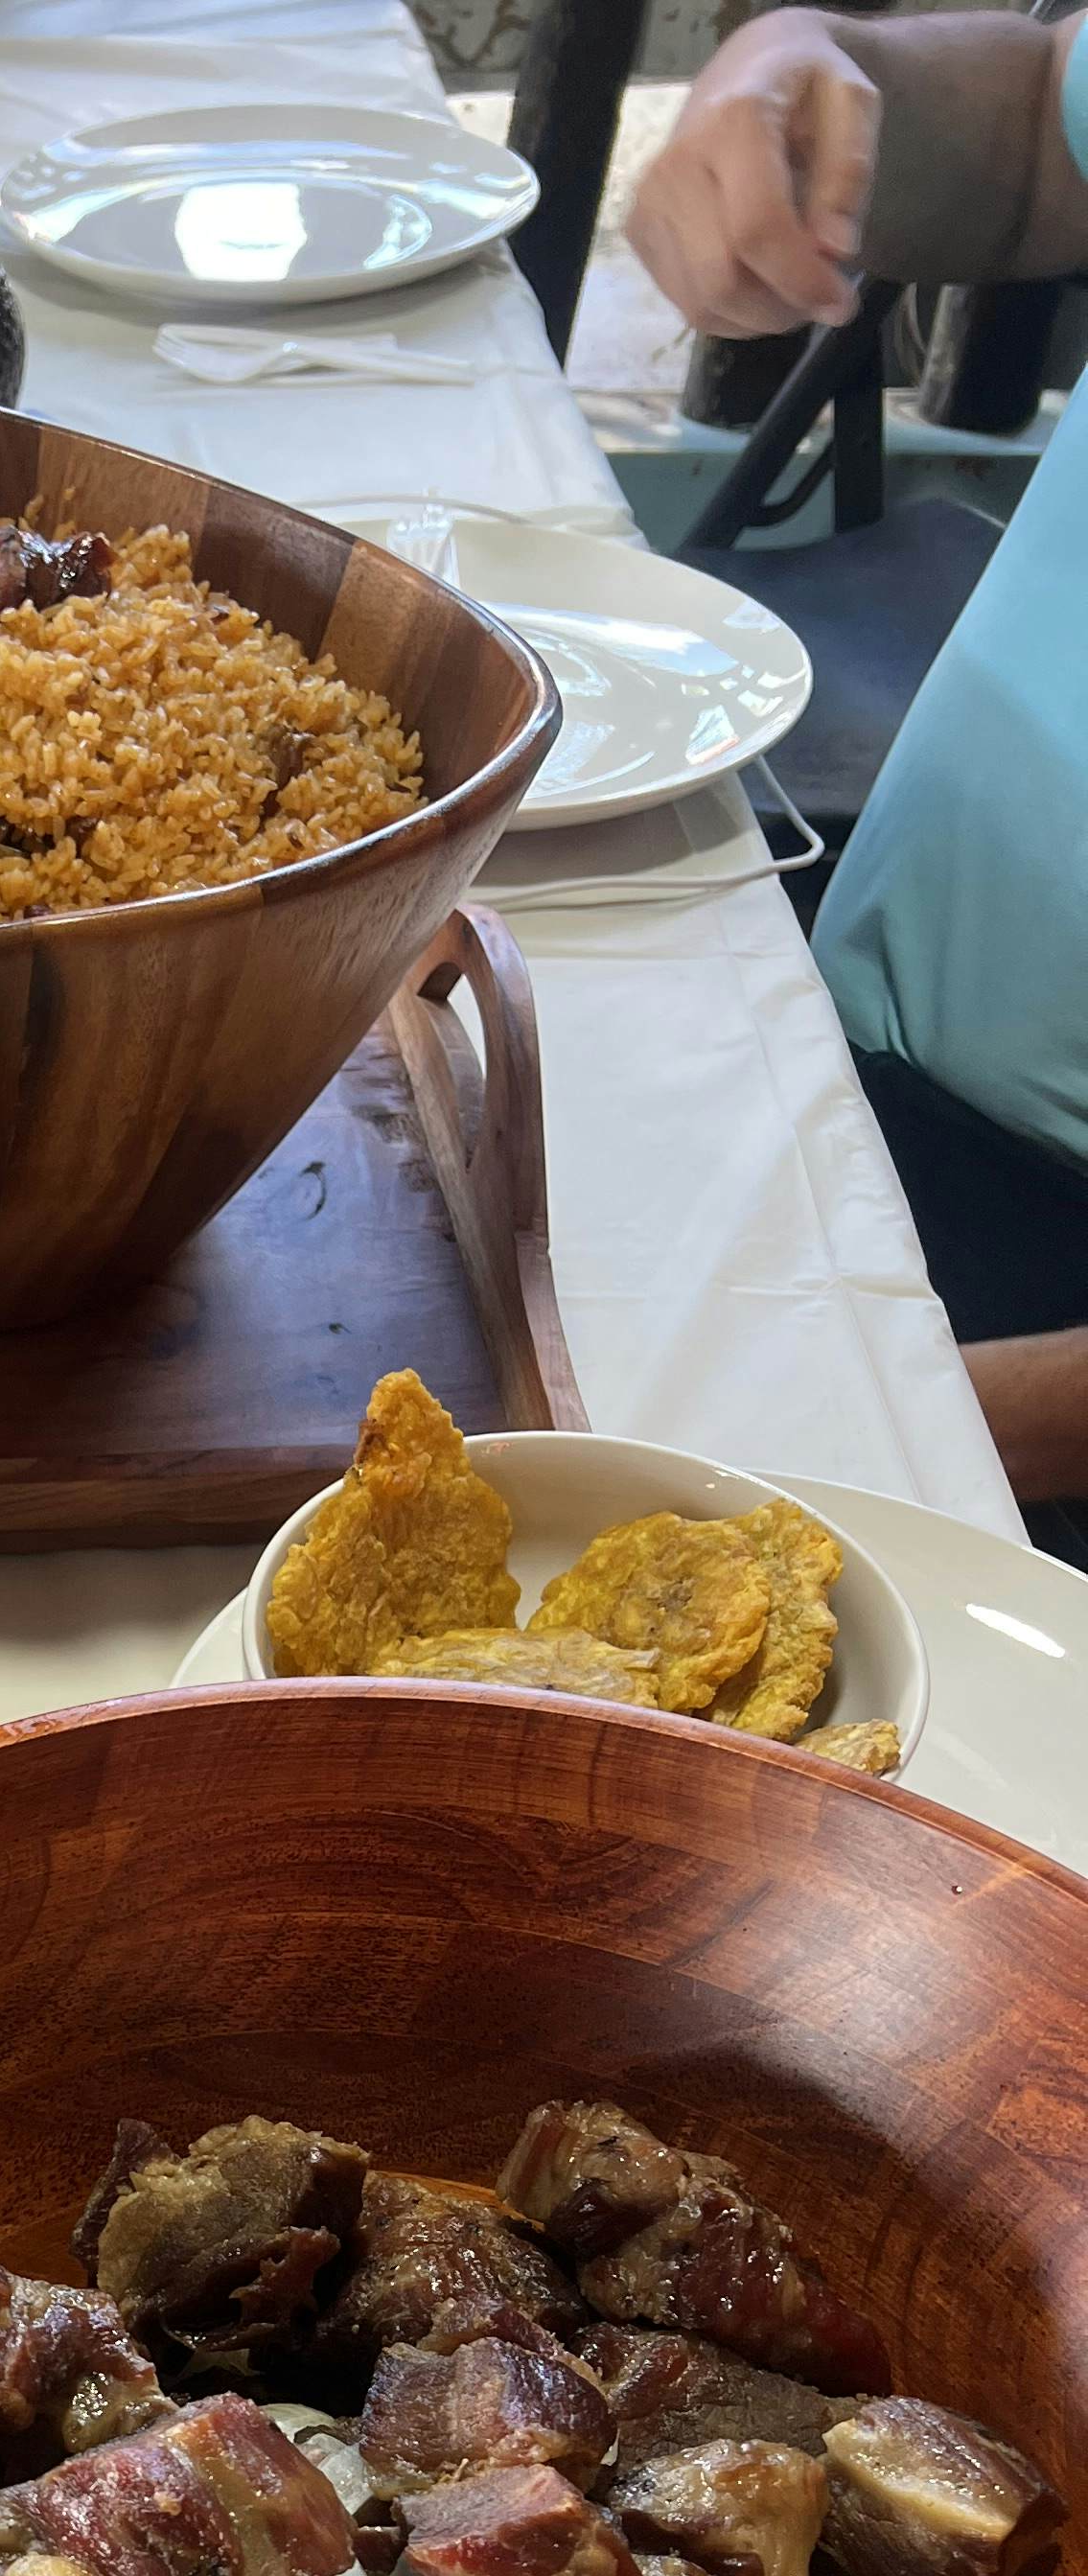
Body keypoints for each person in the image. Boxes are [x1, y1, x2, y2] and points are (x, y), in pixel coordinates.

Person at [633, 9, 1088, 1560]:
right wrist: (812, 76)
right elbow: (1047, 129)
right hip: (840, 1030)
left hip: (1028, 1339)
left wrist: (904, 1425)